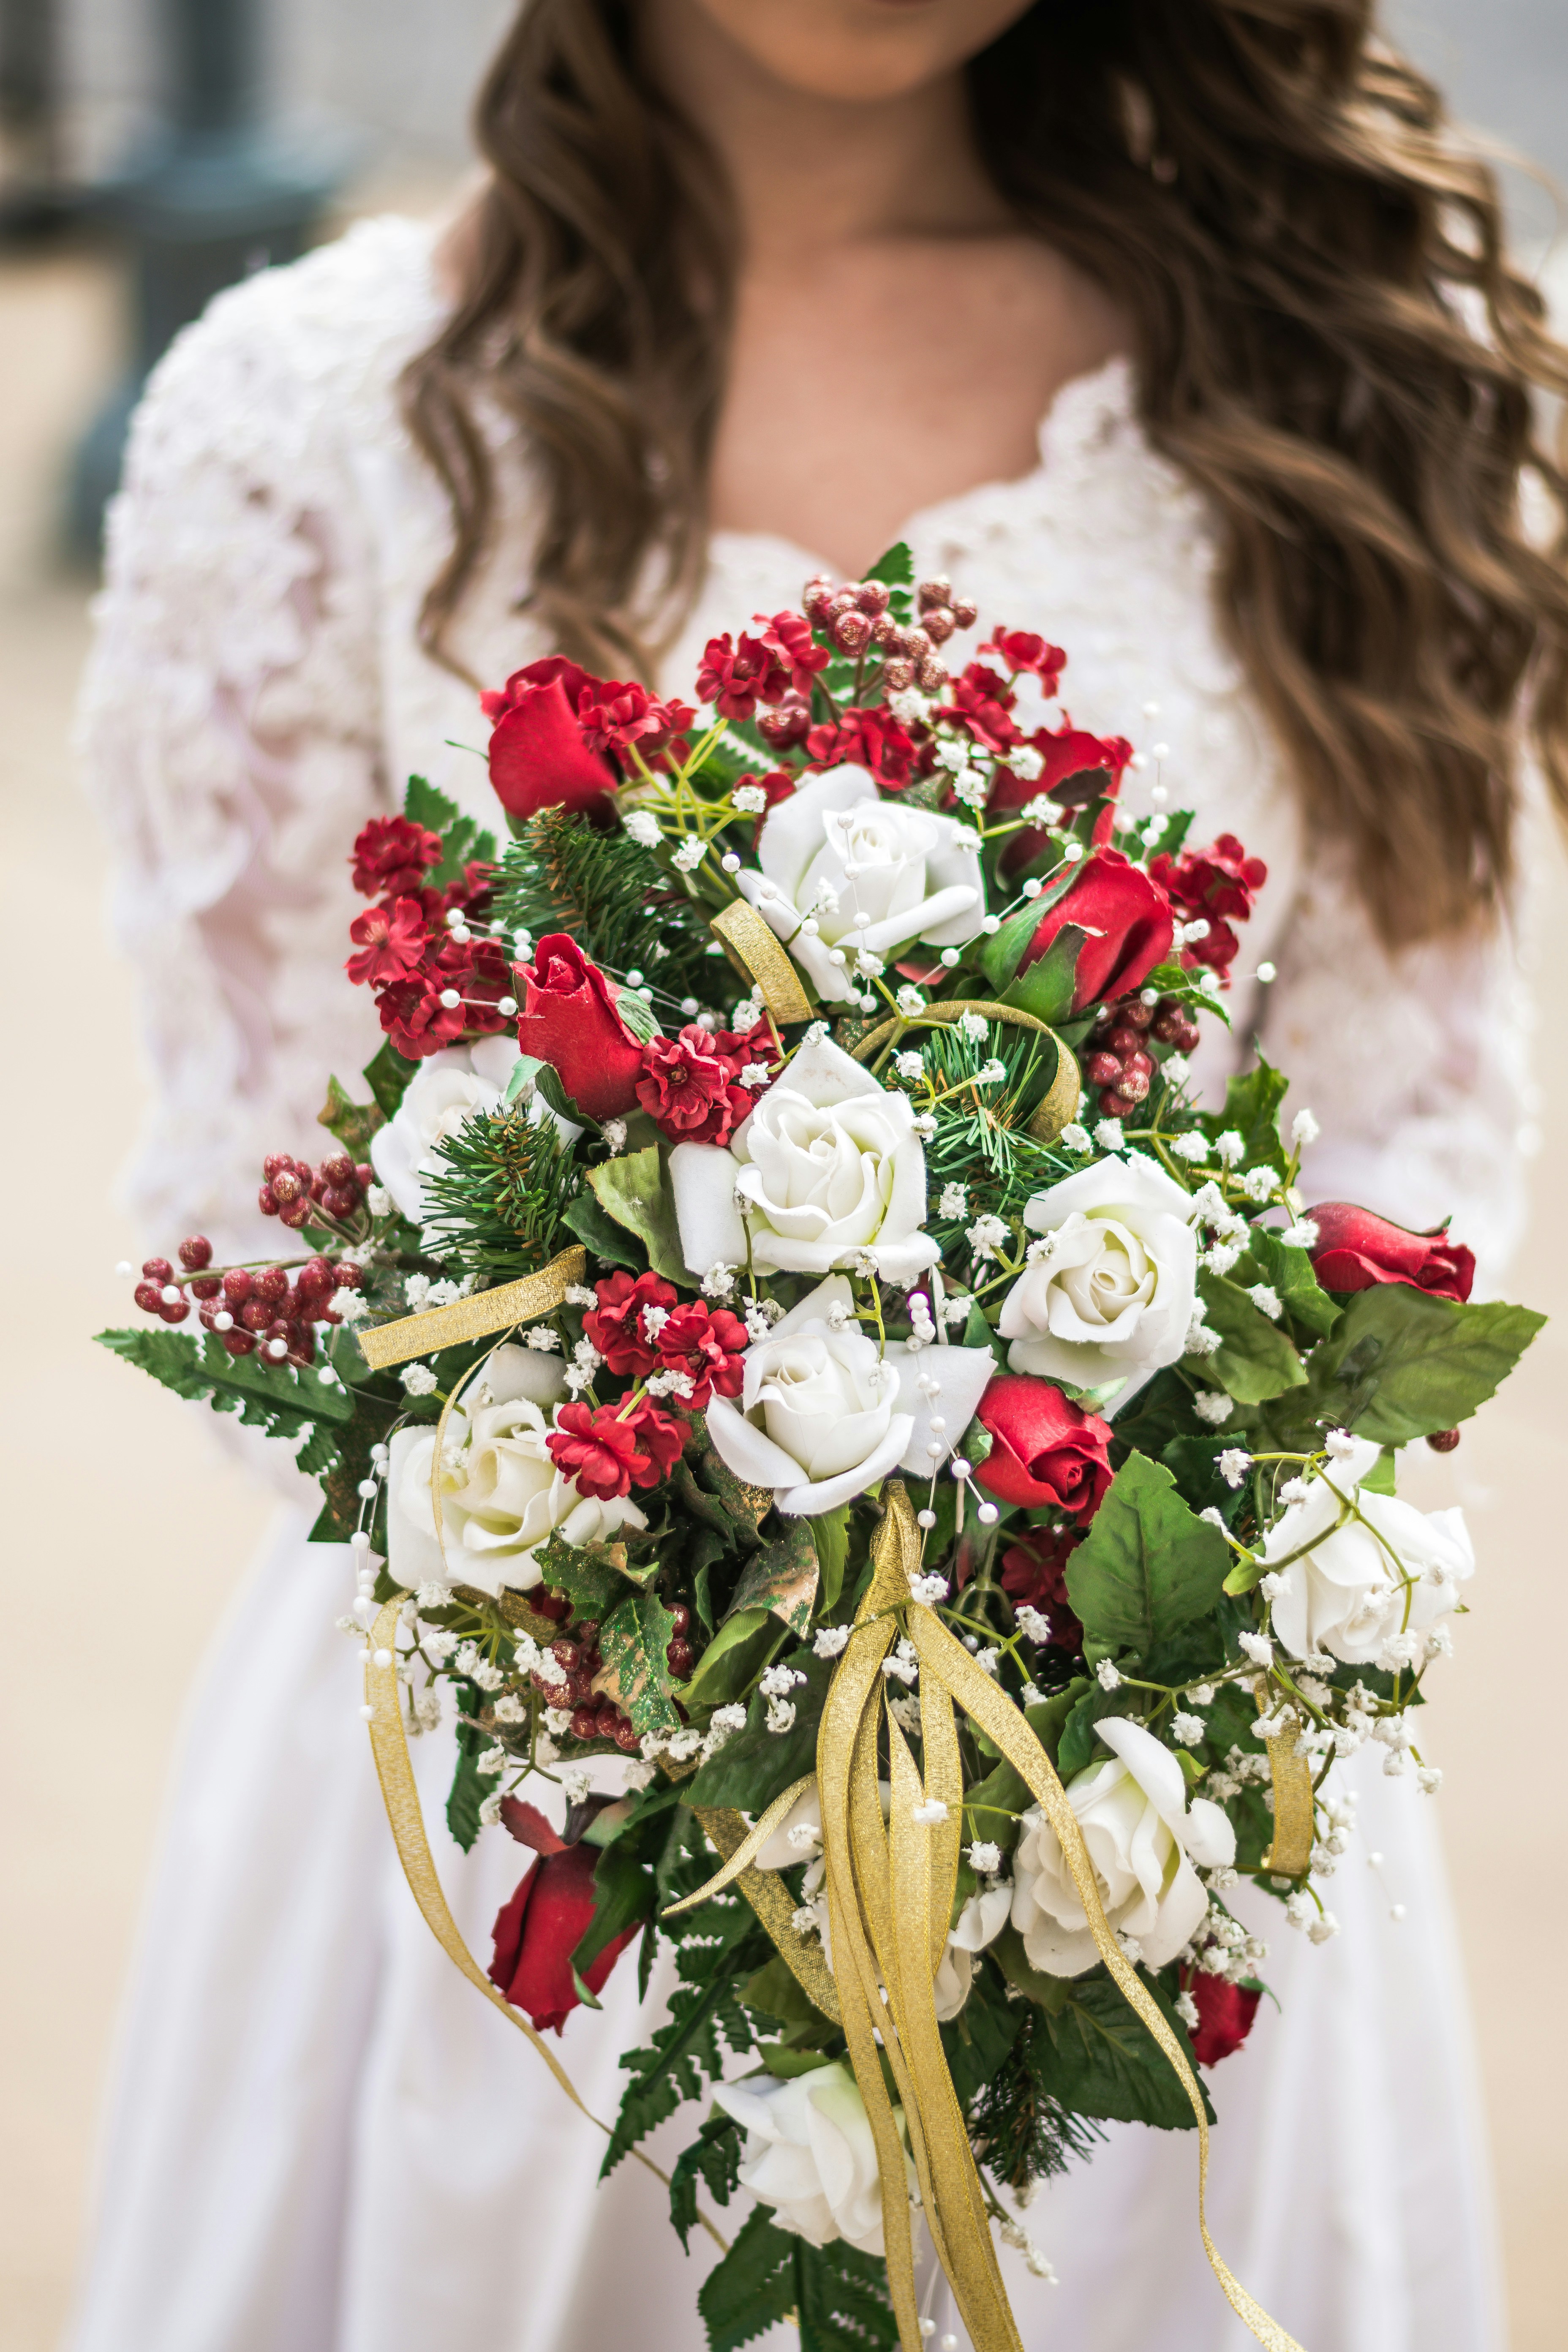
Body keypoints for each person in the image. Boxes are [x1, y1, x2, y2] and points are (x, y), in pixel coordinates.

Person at [71, 3, 1568, 2347]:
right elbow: (257, 1233)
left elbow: (1409, 1176)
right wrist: (672, 1571)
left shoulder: (1343, 384)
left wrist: (1070, 1597)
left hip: (1139, 1838)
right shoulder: (314, 426)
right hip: (528, 1831)